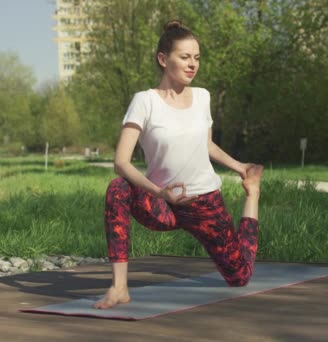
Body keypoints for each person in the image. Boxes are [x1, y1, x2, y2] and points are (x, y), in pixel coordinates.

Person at [94, 20, 264, 310]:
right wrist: (160, 194)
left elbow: (206, 145)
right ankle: (119, 286)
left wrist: (240, 168)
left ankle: (253, 195)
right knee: (118, 188)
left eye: (196, 57)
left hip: (204, 203)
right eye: (185, 57)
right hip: (163, 204)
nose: (193, 64)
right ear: (163, 59)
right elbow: (121, 162)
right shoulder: (144, 102)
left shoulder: (202, 97)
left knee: (240, 277)